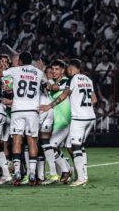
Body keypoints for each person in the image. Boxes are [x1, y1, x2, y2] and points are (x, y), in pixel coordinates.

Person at [0, 51, 47, 186]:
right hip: (33, 110)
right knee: (32, 141)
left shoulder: (15, 70)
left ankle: (18, 172)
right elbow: (46, 86)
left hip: (17, 109)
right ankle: (32, 173)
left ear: (19, 61)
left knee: (16, 140)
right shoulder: (38, 72)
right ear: (31, 61)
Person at [40, 59, 97, 187]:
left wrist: (50, 106)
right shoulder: (88, 80)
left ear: (70, 68)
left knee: (74, 146)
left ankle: (80, 177)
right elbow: (94, 99)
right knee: (77, 146)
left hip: (77, 118)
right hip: (90, 117)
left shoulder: (71, 79)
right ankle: (82, 174)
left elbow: (64, 94)